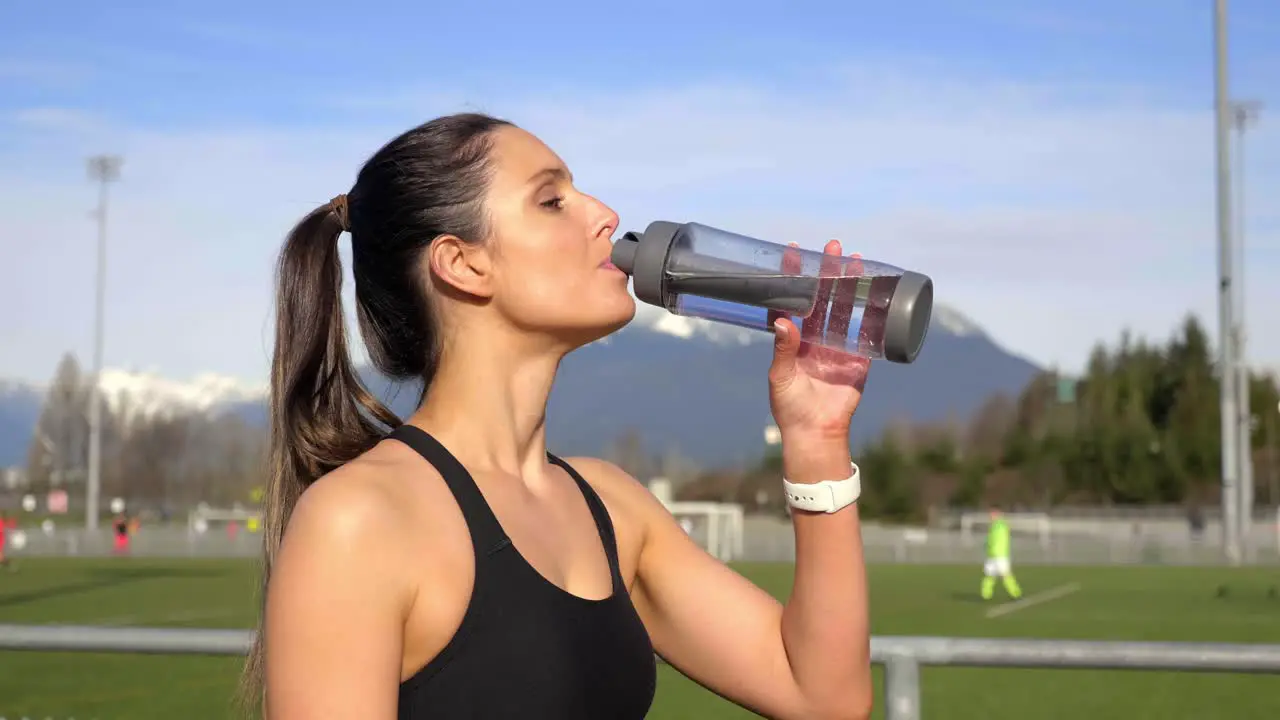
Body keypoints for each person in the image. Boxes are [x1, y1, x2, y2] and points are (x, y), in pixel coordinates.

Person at [244, 113, 875, 720]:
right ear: (463, 263)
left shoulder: (613, 508)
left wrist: (816, 439)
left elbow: (823, 696)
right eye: (552, 201)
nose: (605, 215)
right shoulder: (360, 521)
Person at [981, 507, 1023, 601]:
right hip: (992, 555)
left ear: (997, 514)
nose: (990, 516)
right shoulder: (993, 526)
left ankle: (1016, 594)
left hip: (1000, 555)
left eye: (992, 514)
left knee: (1006, 575)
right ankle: (986, 595)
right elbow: (990, 539)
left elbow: (1000, 535)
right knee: (989, 575)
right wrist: (987, 545)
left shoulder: (1001, 524)